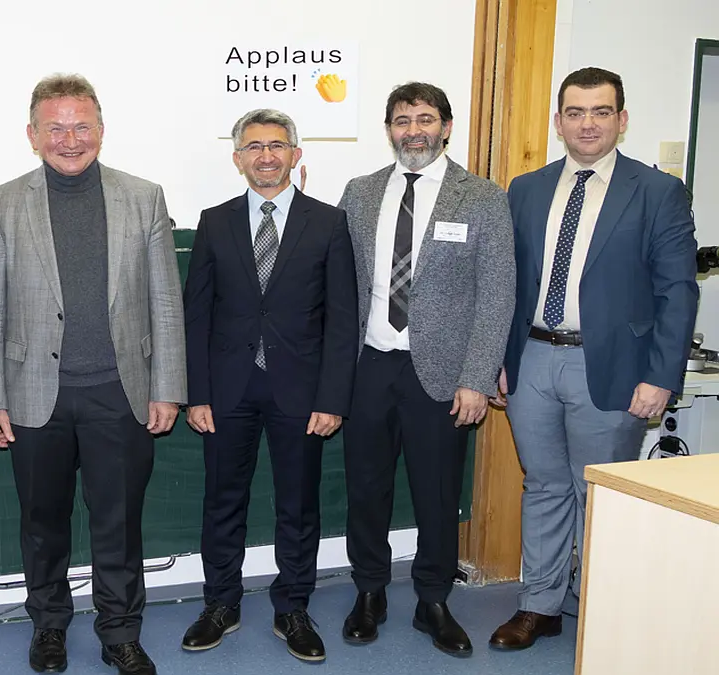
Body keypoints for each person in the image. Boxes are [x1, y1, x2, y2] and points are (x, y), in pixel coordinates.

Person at [0, 73, 186, 675]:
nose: (70, 139)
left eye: (81, 126)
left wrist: (168, 386)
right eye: (56, 128)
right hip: (34, 397)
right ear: (32, 134)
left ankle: (120, 631)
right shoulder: (2, 202)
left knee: (120, 522)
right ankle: (50, 627)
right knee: (43, 524)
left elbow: (166, 301)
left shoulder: (144, 197)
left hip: (122, 394)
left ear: (101, 130)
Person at [489, 67, 698, 651]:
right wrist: (499, 359)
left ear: (622, 120)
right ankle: (540, 604)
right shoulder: (527, 188)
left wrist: (661, 376)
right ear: (558, 122)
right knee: (545, 485)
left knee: (599, 492)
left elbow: (677, 291)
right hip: (532, 358)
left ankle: (603, 600)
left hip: (611, 368)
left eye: (601, 112)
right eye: (575, 112)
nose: (587, 123)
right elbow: (512, 283)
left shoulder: (657, 192)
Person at [337, 82, 515, 657]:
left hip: (442, 375)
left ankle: (433, 600)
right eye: (401, 120)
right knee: (366, 488)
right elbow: (340, 285)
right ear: (388, 128)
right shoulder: (359, 193)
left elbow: (497, 294)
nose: (413, 130)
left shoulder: (482, 197)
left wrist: (478, 377)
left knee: (437, 493)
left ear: (446, 126)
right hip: (369, 367)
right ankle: (369, 592)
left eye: (425, 119)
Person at [179, 108, 358, 663]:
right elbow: (196, 315)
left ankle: (293, 608)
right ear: (237, 159)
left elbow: (342, 318)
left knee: (298, 506)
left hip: (300, 394)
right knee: (222, 503)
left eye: (277, 145)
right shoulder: (215, 221)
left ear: (296, 154)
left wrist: (332, 398)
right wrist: (197, 393)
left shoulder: (328, 223)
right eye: (253, 146)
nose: (266, 156)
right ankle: (220, 604)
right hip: (228, 391)